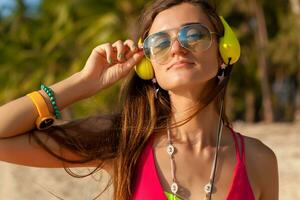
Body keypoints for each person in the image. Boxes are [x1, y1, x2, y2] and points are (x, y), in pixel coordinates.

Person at [0, 0, 278, 200]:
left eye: (193, 35)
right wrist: (82, 84)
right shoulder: (125, 140)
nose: (178, 48)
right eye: (160, 43)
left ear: (224, 53)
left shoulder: (259, 160)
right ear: (148, 67)